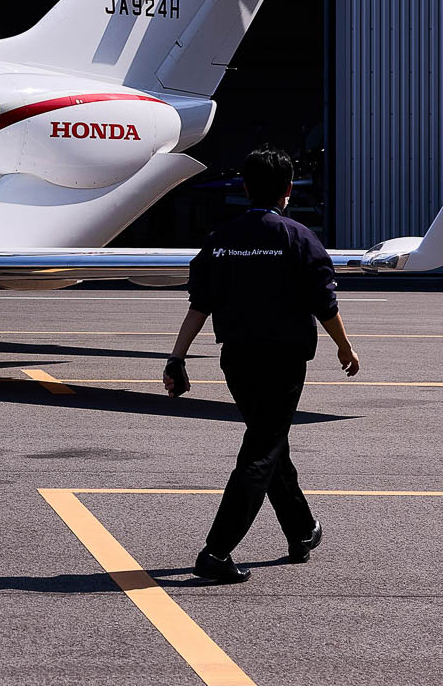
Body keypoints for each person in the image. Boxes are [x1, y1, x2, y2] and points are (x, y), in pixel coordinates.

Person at [161, 146, 359, 583]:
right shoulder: (298, 237)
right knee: (262, 450)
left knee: (269, 442)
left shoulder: (221, 239)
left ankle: (301, 530)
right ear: (288, 189)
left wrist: (177, 356)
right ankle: (216, 552)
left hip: (237, 360)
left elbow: (199, 305)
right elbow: (324, 302)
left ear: (246, 188)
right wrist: (344, 347)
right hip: (284, 360)